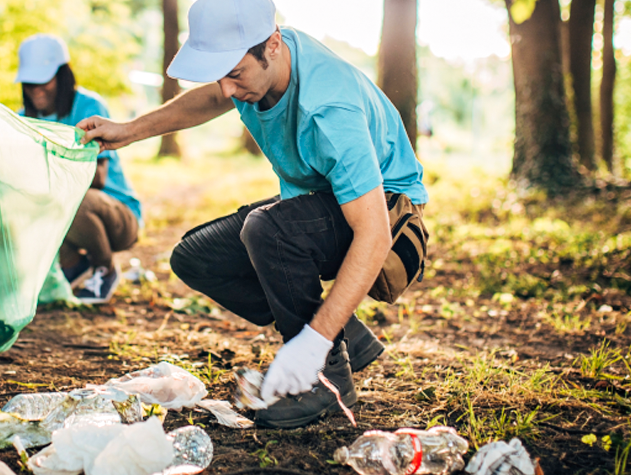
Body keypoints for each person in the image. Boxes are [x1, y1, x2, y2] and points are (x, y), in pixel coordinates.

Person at [78, 0, 428, 428]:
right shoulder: (257, 65)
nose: (227, 90)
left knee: (268, 230)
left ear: (274, 45)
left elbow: (373, 234)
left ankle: (325, 377)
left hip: (387, 214)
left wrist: (312, 343)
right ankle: (345, 335)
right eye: (220, 75)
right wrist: (128, 131)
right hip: (325, 201)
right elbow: (209, 98)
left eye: (235, 74)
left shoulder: (329, 107)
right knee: (195, 257)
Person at [16, 34, 142, 304]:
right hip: (62, 219)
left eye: (43, 80)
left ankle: (104, 269)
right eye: (30, 82)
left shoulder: (88, 107)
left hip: (115, 216)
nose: (36, 89)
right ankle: (73, 265)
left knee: (71, 194)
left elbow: (97, 178)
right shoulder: (23, 119)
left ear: (62, 76)